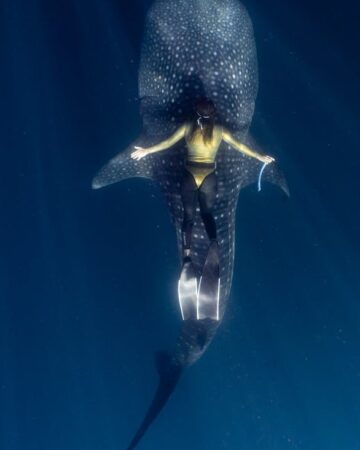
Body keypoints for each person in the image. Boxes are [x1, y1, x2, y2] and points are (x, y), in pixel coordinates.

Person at [131, 98, 274, 264]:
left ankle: (186, 255)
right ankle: (213, 244)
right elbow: (239, 146)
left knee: (188, 217)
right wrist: (259, 156)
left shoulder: (187, 127)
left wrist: (146, 151)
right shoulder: (220, 130)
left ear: (195, 112)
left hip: (189, 175)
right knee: (207, 214)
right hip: (208, 177)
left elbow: (167, 143)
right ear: (213, 114)